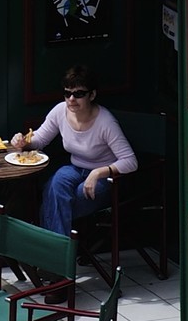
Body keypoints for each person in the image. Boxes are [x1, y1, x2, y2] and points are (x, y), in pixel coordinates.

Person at [13, 66, 137, 237]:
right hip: (75, 169)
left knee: (58, 201)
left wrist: (97, 173)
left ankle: (52, 256)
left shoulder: (105, 122)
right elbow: (39, 139)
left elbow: (130, 161)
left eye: (78, 94)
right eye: (67, 93)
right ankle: (59, 256)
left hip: (106, 178)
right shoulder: (60, 111)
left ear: (92, 95)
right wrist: (23, 142)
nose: (71, 99)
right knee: (55, 185)